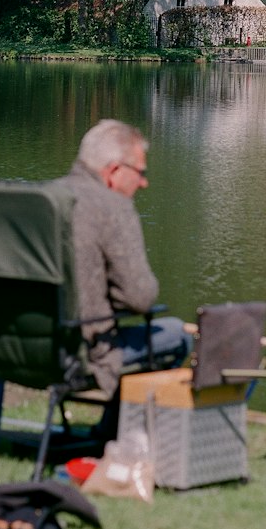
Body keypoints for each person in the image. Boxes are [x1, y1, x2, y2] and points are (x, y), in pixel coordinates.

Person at [55, 119, 191, 428]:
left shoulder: (46, 196)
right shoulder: (114, 208)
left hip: (18, 351)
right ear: (114, 171)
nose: (144, 183)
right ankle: (115, 432)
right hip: (84, 352)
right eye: (140, 173)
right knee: (177, 336)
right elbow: (140, 298)